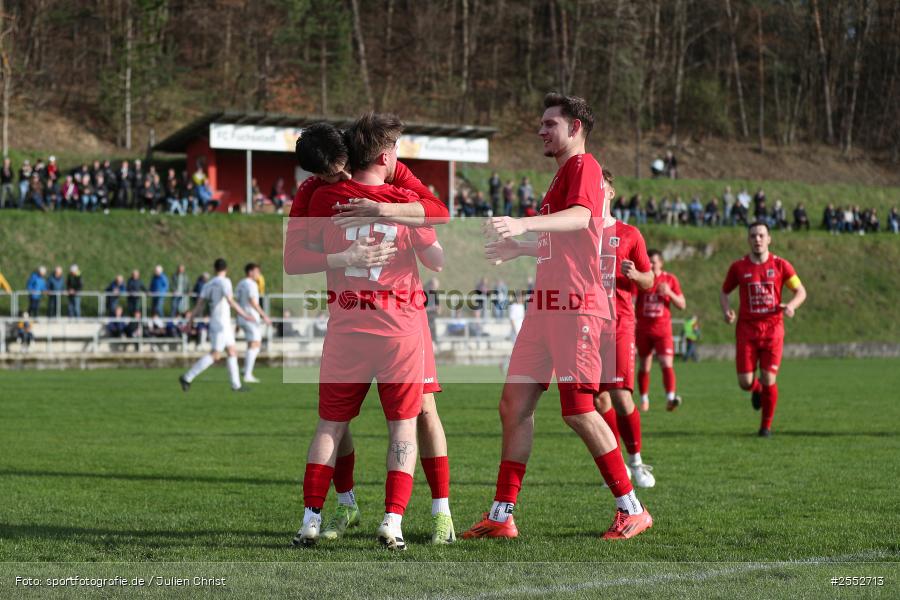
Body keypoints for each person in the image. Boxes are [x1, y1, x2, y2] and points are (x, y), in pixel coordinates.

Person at [470, 93, 651, 541]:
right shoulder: (560, 177)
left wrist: (524, 225)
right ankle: (501, 514)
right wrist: (520, 245)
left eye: (550, 123)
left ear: (575, 128)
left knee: (578, 409)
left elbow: (582, 217)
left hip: (576, 305)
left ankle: (632, 508)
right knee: (513, 406)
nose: (541, 130)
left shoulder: (585, 167)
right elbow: (568, 237)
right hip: (545, 307)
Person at [286, 119, 454, 547]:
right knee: (406, 423)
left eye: (340, 169)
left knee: (335, 422)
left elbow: (295, 258)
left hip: (349, 325)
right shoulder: (400, 194)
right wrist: (391, 225)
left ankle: (314, 516)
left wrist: (344, 246)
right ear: (384, 154)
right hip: (401, 327)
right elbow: (437, 241)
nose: (338, 179)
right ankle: (390, 518)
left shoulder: (323, 198)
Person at [593, 169, 657, 489]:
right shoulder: (580, 231)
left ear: (611, 193)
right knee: (599, 401)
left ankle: (637, 462)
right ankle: (618, 467)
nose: (595, 190)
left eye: (600, 186)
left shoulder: (630, 234)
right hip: (588, 326)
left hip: (619, 323)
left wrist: (635, 275)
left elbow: (650, 281)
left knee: (620, 395)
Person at [720, 222, 807, 437]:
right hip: (746, 331)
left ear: (769, 239)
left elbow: (800, 291)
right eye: (753, 236)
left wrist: (792, 306)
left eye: (761, 235)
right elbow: (724, 292)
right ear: (748, 240)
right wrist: (727, 310)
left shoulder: (781, 265)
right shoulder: (738, 267)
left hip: (773, 331)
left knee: (769, 378)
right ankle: (756, 389)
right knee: (745, 382)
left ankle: (765, 427)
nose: (757, 239)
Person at [179, 258, 252, 393]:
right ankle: (187, 377)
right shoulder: (225, 282)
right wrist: (244, 314)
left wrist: (190, 321)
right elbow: (230, 300)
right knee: (215, 355)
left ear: (214, 269)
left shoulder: (208, 284)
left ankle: (236, 385)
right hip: (221, 324)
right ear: (226, 269)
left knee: (232, 351)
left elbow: (199, 304)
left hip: (217, 322)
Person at [635, 250, 686, 412]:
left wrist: (669, 292)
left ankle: (670, 398)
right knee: (644, 365)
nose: (650, 264)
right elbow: (632, 301)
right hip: (643, 328)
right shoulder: (642, 279)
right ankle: (644, 399)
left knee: (666, 363)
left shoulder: (669, 279)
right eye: (648, 261)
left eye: (654, 262)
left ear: (661, 263)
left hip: (663, 330)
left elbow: (682, 305)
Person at [235, 263, 273, 383]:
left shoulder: (240, 283)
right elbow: (253, 302)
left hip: (242, 317)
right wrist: (264, 316)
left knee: (251, 344)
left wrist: (237, 321)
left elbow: (238, 301)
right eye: (257, 271)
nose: (259, 274)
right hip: (250, 317)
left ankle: (245, 369)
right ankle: (247, 374)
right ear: (250, 272)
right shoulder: (251, 284)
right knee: (256, 344)